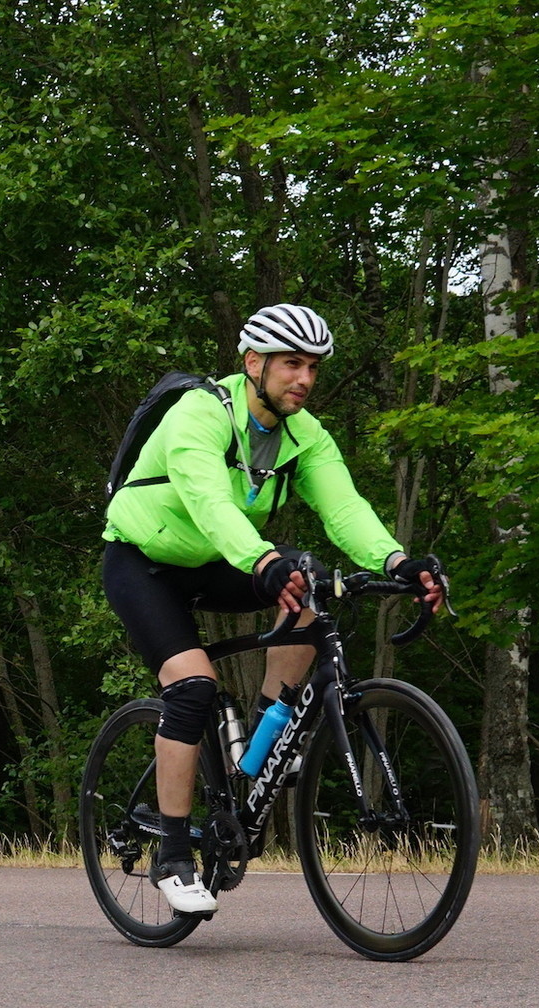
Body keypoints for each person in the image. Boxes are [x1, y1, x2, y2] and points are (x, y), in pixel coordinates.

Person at [101, 304, 447, 916]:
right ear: (253, 363)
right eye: (292, 364)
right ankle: (173, 855)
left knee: (312, 585)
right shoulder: (201, 412)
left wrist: (396, 561)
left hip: (218, 558)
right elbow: (208, 501)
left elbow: (344, 508)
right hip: (144, 562)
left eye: (313, 367)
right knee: (193, 690)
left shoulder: (304, 435)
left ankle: (264, 740)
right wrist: (262, 560)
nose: (304, 379)